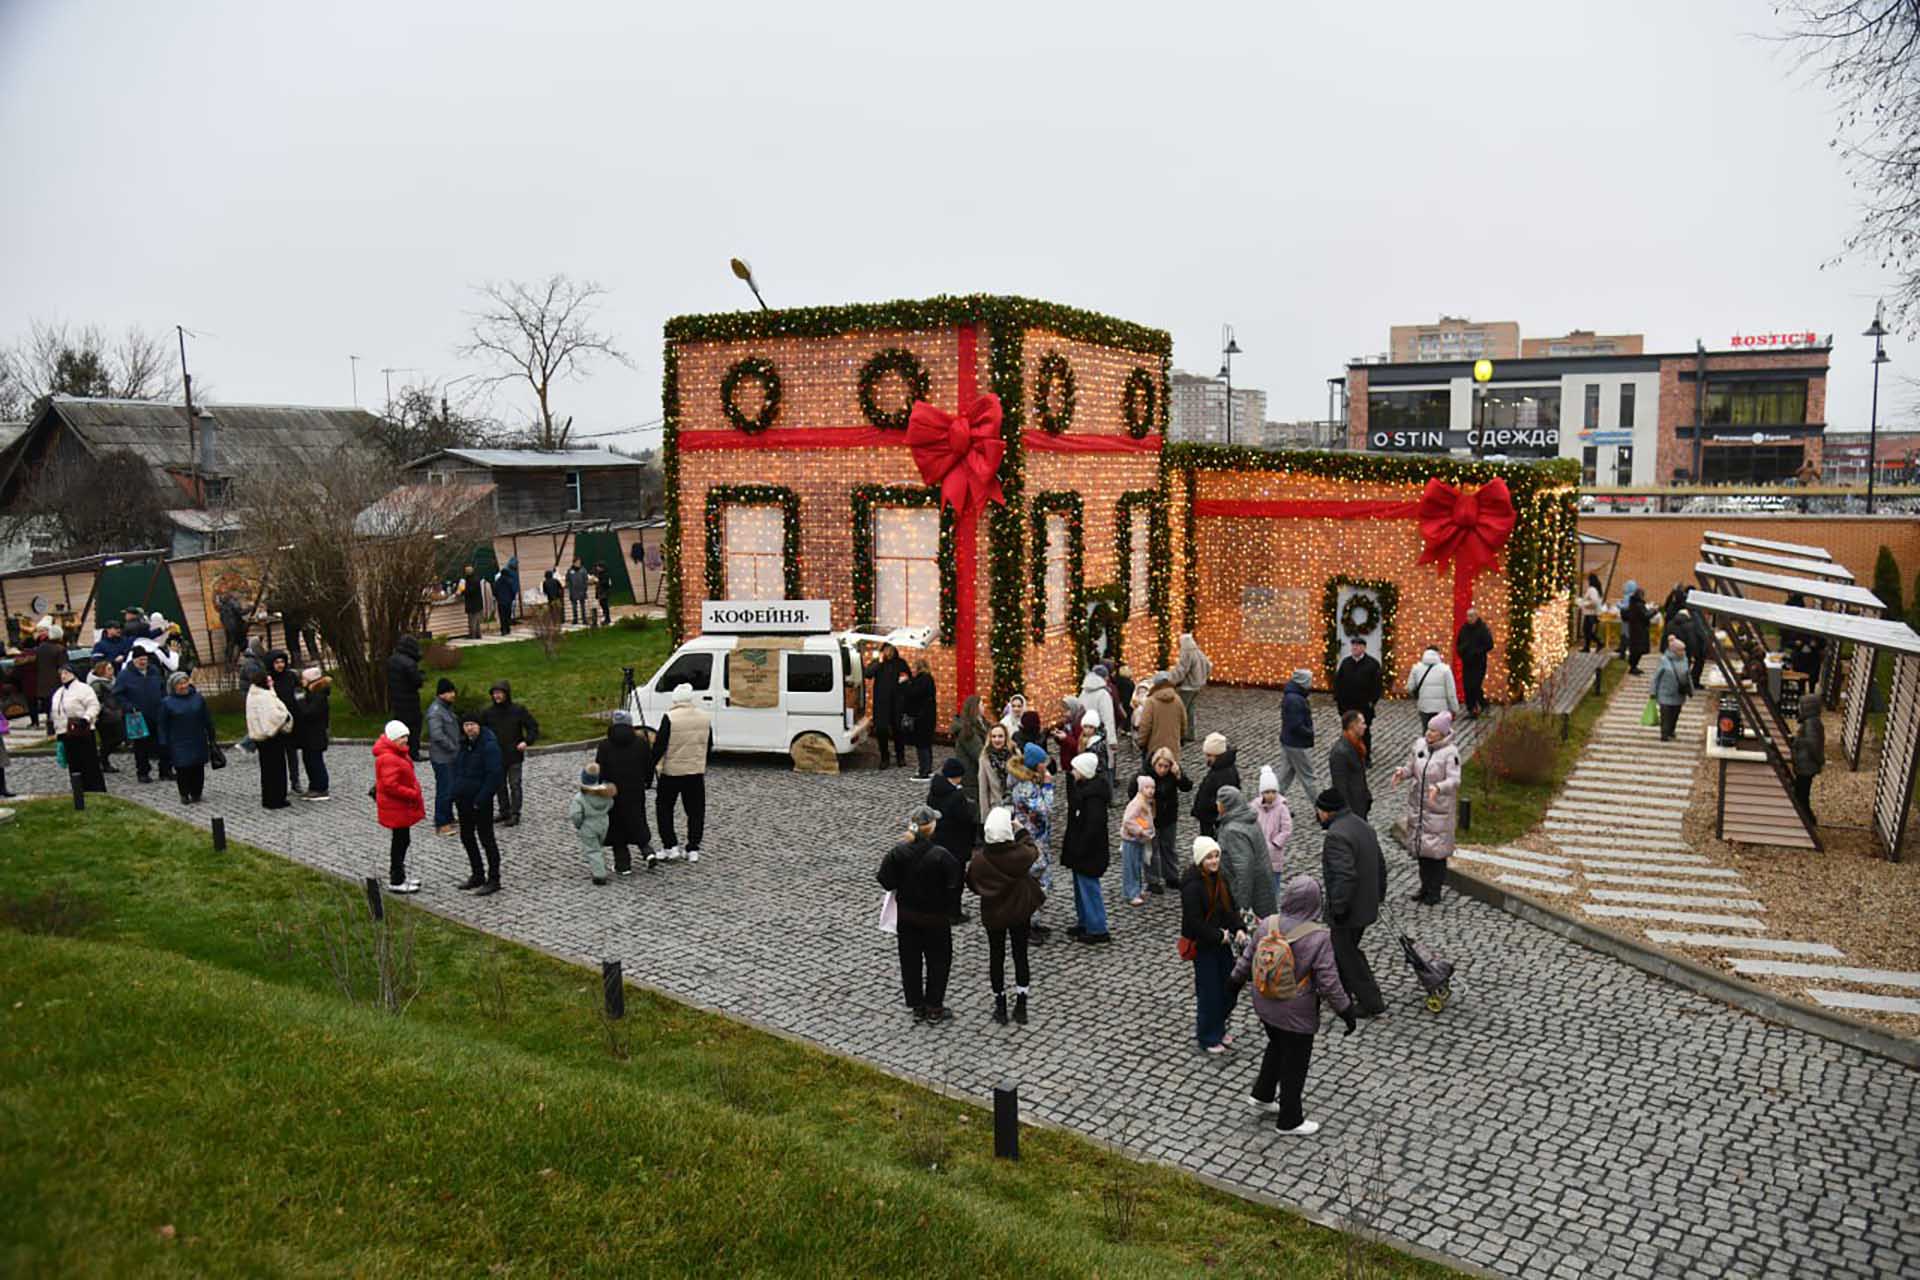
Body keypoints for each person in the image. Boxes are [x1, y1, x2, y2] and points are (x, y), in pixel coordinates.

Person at [1228, 876, 1356, 1137]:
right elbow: (1329, 982)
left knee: (1277, 1044)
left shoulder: (1268, 923)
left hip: (1264, 1003)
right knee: (1295, 1063)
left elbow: (1247, 958)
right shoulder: (1319, 937)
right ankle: (1289, 1119)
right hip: (1296, 1012)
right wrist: (1346, 1011)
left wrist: (1233, 983)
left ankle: (1262, 1094)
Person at [877, 803, 963, 1023]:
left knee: (910, 962)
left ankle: (916, 1005)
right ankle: (935, 1007)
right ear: (931, 827)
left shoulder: (898, 852)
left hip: (907, 917)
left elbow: (885, 880)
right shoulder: (941, 856)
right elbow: (955, 884)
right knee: (939, 962)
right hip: (935, 919)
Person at [968, 806, 1044, 1025]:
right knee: (1020, 955)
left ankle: (1000, 1005)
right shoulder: (1019, 855)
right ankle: (1021, 1003)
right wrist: (1021, 831)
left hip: (994, 914)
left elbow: (972, 882)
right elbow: (1032, 849)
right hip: (1019, 911)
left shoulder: (980, 860)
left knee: (996, 957)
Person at [1315, 789, 1387, 1017]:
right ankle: (1341, 993)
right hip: (1366, 904)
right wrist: (1379, 894)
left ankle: (1371, 1001)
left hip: (1349, 910)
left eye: (1318, 810)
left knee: (1347, 953)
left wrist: (1338, 907)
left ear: (1326, 812)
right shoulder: (1361, 825)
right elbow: (1380, 863)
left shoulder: (1336, 835)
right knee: (1342, 950)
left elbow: (1344, 875)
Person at [1182, 836, 1245, 1054]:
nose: (1214, 860)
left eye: (1216, 855)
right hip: (1204, 947)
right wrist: (1219, 936)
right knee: (1210, 993)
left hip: (1221, 943)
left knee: (1229, 987)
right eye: (1209, 857)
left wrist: (1238, 929)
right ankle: (1208, 1035)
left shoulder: (1221, 879)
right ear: (1201, 859)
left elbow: (1230, 909)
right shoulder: (1192, 886)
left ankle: (1218, 1027)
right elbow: (1194, 922)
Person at [1395, 711, 1461, 904]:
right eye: (1428, 729)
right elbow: (1411, 767)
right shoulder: (1419, 746)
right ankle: (1424, 887)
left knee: (1437, 854)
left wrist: (1439, 788)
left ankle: (1435, 890)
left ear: (1442, 733)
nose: (1429, 733)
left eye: (1433, 731)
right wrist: (1402, 773)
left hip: (1438, 809)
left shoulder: (1451, 753)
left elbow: (1454, 780)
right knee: (1422, 851)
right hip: (1420, 808)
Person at [651, 683, 712, 862]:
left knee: (664, 809)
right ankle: (693, 848)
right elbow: (709, 744)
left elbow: (659, 746)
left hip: (672, 772)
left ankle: (670, 845)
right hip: (695, 771)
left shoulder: (670, 717)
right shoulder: (704, 717)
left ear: (675, 699)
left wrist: (649, 768)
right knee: (695, 811)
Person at [595, 710, 657, 873]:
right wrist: (647, 782)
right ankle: (647, 851)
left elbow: (600, 770)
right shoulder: (641, 743)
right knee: (637, 820)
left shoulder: (604, 745)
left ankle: (623, 865)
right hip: (635, 790)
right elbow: (649, 766)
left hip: (614, 792)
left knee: (617, 828)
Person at [451, 710, 506, 895]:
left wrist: (481, 799)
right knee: (467, 837)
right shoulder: (463, 744)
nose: (469, 728)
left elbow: (494, 775)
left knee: (487, 839)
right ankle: (477, 874)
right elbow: (457, 769)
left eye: (472, 724)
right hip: (463, 799)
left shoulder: (489, 746)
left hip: (480, 802)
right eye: (466, 725)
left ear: (479, 725)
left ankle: (494, 879)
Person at [1006, 741, 1056, 942]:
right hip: (1031, 842)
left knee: (1038, 882)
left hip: (1038, 840)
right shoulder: (1026, 787)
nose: (1046, 765)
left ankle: (1033, 921)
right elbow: (1045, 809)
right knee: (1032, 883)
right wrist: (1048, 786)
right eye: (1043, 762)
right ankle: (1026, 925)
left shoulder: (1029, 782)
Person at [1062, 751, 1112, 944]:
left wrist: (1081, 847)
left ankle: (1098, 927)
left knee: (1089, 889)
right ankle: (1085, 922)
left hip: (1089, 851)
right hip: (1082, 850)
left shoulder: (1094, 798)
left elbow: (1093, 827)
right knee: (1081, 888)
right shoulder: (1086, 789)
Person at [373, 721, 425, 893]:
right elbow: (390, 785)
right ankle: (396, 880)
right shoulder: (389, 758)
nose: (405, 740)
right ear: (393, 738)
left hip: (399, 807)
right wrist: (412, 793)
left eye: (406, 737)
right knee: (400, 843)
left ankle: (400, 876)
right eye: (402, 737)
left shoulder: (397, 753)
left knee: (402, 841)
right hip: (397, 807)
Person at [1215, 784, 1277, 923]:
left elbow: (1243, 869)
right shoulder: (1248, 820)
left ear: (1226, 805)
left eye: (1219, 802)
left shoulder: (1233, 830)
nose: (1216, 805)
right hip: (1262, 886)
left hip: (1249, 894)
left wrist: (1242, 907)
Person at [1133, 746, 1191, 894]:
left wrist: (1179, 775)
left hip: (1169, 817)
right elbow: (1132, 791)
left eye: (1166, 766)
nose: (1163, 770)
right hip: (1150, 818)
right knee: (1151, 849)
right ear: (1154, 764)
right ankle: (1153, 880)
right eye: (1160, 766)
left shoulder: (1173, 773)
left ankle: (1171, 876)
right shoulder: (1145, 775)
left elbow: (1187, 786)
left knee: (1168, 847)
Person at [481, 679, 539, 826]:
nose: (497, 696)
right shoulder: (488, 713)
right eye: (494, 693)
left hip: (514, 754)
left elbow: (532, 726)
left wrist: (526, 741)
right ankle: (504, 811)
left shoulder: (518, 710)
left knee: (515, 784)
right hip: (497, 755)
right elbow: (482, 731)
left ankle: (515, 813)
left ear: (506, 694)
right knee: (499, 785)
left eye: (499, 693)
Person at [155, 671, 216, 804]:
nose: (183, 686)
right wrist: (163, 742)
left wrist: (212, 737)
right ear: (173, 686)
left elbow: (207, 719)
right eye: (179, 684)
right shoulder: (167, 703)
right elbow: (162, 724)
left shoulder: (198, 698)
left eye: (184, 682)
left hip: (197, 738)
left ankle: (197, 793)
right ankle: (184, 793)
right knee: (183, 769)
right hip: (178, 740)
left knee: (198, 768)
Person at [927, 758, 975, 922]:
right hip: (956, 844)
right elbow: (965, 819)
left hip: (938, 841)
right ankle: (953, 913)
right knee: (955, 880)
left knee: (941, 878)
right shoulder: (956, 796)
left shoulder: (934, 791)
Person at [112, 649, 166, 784]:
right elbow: (118, 694)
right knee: (141, 746)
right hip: (137, 716)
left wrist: (164, 701)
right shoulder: (125, 675)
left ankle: (165, 770)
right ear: (134, 660)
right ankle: (143, 772)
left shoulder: (154, 671)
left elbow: (162, 688)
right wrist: (129, 707)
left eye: (145, 660)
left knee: (162, 743)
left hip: (157, 712)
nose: (143, 662)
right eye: (140, 660)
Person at [51, 665, 106, 793]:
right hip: (67, 733)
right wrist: (58, 731)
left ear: (73, 674)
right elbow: (57, 713)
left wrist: (86, 718)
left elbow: (94, 705)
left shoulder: (84, 689)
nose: (63, 676)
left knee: (88, 762)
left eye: (66, 673)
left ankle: (94, 789)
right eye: (61, 673)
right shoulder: (59, 692)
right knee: (73, 763)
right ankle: (78, 789)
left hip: (83, 731)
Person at [245, 669, 294, 810]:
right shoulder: (264, 696)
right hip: (271, 737)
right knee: (276, 769)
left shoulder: (253, 694)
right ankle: (277, 798)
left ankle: (268, 797)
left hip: (259, 738)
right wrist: (285, 717)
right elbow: (273, 717)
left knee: (266, 770)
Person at [1272, 668, 1319, 806]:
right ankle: (1321, 809)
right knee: (1308, 777)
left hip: (1289, 741)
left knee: (1284, 776)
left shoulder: (1293, 696)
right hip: (1297, 744)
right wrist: (1309, 733)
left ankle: (1272, 803)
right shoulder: (1296, 700)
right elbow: (1296, 725)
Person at [570, 763, 619, 885]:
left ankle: (599, 875)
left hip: (588, 826)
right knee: (598, 847)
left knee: (592, 850)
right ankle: (601, 865)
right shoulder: (605, 793)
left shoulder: (580, 797)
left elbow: (575, 815)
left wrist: (579, 824)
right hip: (603, 823)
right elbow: (611, 804)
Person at [1333, 637, 1382, 759]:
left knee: (1364, 732)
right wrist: (1339, 701)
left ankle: (1365, 756)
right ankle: (1349, 754)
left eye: (1358, 646)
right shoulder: (1346, 663)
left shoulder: (1372, 664)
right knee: (1348, 731)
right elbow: (1338, 683)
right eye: (1353, 646)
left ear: (1364, 648)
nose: (1354, 648)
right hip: (1347, 705)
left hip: (1364, 706)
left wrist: (1372, 702)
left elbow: (1377, 686)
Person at [863, 642, 909, 769]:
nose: (889, 652)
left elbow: (907, 677)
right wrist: (879, 661)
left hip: (897, 703)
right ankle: (884, 758)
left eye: (891, 650)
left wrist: (904, 681)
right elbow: (867, 674)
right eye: (887, 650)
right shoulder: (878, 662)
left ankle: (900, 757)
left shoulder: (901, 663)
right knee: (881, 731)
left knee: (898, 731)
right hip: (881, 704)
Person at [426, 678, 461, 835]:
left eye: (453, 691)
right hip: (443, 758)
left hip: (450, 757)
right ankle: (442, 823)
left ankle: (448, 816)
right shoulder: (436, 711)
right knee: (445, 789)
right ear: (441, 694)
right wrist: (453, 747)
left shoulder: (445, 708)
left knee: (451, 788)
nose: (453, 694)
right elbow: (437, 735)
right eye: (449, 692)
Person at [293, 666, 333, 801]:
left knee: (315, 761)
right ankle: (314, 787)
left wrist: (300, 702)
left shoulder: (318, 696)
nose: (302, 681)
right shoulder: (313, 693)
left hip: (315, 735)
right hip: (310, 735)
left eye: (304, 679)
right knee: (309, 760)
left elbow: (309, 713)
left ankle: (321, 788)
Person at [950, 695, 990, 830]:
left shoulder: (982, 724)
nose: (984, 706)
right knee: (975, 811)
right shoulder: (968, 732)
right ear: (975, 708)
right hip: (972, 777)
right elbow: (980, 754)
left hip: (977, 776)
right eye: (982, 704)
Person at [268, 650, 304, 794]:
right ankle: (279, 783)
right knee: (277, 755)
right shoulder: (269, 679)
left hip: (291, 719)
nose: (280, 665)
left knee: (292, 752)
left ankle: (295, 781)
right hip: (275, 720)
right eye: (277, 662)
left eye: (282, 662)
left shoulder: (291, 676)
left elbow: (299, 693)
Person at [1192, 732, 1240, 840]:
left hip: (1213, 821)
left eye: (1209, 755)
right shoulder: (1220, 768)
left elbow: (1225, 800)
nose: (1207, 758)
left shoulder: (1224, 773)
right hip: (1209, 819)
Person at [1254, 765, 1292, 900]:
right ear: (1261, 793)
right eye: (1267, 792)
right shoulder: (1254, 807)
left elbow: (1286, 829)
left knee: (1274, 886)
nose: (1270, 795)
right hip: (1258, 854)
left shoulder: (1282, 808)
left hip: (1274, 854)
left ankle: (1273, 911)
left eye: (1273, 792)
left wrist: (1275, 843)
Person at [1133, 670, 1187, 764]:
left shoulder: (1151, 701)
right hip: (1173, 745)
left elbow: (1146, 725)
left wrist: (1141, 742)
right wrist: (1181, 737)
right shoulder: (1178, 700)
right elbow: (1183, 721)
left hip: (1154, 747)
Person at [386, 635, 425, 760]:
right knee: (414, 726)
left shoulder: (392, 660)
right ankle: (413, 752)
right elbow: (417, 682)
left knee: (400, 725)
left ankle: (398, 750)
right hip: (410, 699)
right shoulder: (409, 663)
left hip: (396, 698)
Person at [1169, 632, 1212, 743]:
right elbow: (1209, 666)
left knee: (1180, 711)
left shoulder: (1187, 654)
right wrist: (1203, 679)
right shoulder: (1199, 652)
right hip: (1197, 687)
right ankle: (1190, 733)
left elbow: (1181, 670)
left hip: (1187, 687)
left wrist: (1171, 680)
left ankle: (1180, 735)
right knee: (1190, 710)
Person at [1120, 773, 1155, 907]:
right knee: (1131, 867)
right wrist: (1140, 831)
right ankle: (1130, 893)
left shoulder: (1145, 802)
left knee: (1137, 865)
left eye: (1152, 788)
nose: (1150, 790)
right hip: (1131, 839)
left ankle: (1138, 890)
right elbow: (1128, 821)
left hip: (1139, 839)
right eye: (1147, 787)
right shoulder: (1137, 804)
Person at [1329, 710, 1371, 819]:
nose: (1365, 726)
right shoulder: (1340, 753)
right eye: (1362, 723)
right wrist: (1346, 812)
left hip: (1360, 805)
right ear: (1353, 726)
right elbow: (1339, 786)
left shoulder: (1357, 746)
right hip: (1351, 809)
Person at [1406, 646, 1460, 730]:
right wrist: (1454, 708)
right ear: (1438, 654)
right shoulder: (1445, 669)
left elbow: (1409, 688)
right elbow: (1451, 692)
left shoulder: (1416, 668)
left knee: (1426, 731)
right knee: (1440, 732)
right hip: (1441, 708)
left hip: (1424, 707)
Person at [900, 658, 937, 781]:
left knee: (922, 744)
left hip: (922, 718)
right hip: (927, 717)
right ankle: (928, 769)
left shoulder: (922, 680)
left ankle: (923, 772)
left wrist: (904, 683)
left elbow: (913, 694)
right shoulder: (927, 679)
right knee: (926, 743)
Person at [1455, 606, 1495, 719]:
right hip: (1467, 662)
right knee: (1467, 686)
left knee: (1476, 685)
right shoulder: (1464, 629)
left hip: (1479, 662)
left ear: (1477, 616)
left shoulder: (1482, 629)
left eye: (1471, 616)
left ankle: (1483, 704)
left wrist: (1478, 651)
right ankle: (1471, 709)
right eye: (1468, 616)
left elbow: (1489, 644)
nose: (1469, 618)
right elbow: (1458, 643)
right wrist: (1461, 651)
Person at [1078, 666, 1118, 776]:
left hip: (1087, 736)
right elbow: (1108, 719)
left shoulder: (1083, 692)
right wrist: (1112, 741)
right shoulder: (1103, 694)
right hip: (1101, 738)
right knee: (1105, 771)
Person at [1651, 636, 1692, 742]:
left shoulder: (1685, 660)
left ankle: (1671, 730)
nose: (1683, 652)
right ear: (1674, 650)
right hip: (1665, 692)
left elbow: (1687, 675)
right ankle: (1664, 733)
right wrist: (1653, 691)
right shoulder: (1664, 660)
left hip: (1679, 692)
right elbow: (1656, 677)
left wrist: (1690, 689)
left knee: (1675, 713)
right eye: (1681, 650)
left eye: (1684, 650)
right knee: (1665, 714)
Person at [87, 661, 123, 774]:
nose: (112, 671)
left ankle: (101, 759)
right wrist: (106, 711)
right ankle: (103, 761)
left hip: (115, 715)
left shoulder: (114, 682)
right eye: (109, 669)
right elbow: (96, 701)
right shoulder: (97, 684)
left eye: (112, 668)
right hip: (104, 718)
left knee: (117, 738)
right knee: (108, 741)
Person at [1792, 702, 1825, 820]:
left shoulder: (1811, 723)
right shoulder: (1812, 722)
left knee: (1801, 794)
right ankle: (1807, 818)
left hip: (1806, 766)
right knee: (1802, 793)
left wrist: (1798, 742)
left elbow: (1813, 745)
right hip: (1807, 765)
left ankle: (1807, 820)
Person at [34, 625, 67, 729]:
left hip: (42, 681)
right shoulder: (60, 649)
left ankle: (50, 726)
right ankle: (58, 726)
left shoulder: (40, 648)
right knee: (58, 705)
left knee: (48, 706)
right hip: (56, 682)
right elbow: (64, 667)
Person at [978, 721, 1014, 815]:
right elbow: (983, 790)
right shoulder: (985, 758)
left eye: (1000, 736)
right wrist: (985, 817)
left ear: (1006, 737)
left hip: (1015, 806)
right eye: (994, 736)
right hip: (996, 808)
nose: (997, 739)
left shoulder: (1014, 755)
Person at [1623, 590, 1652, 675]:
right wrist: (1654, 611)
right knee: (1638, 650)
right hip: (1640, 630)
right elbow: (1645, 616)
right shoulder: (1639, 605)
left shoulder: (1633, 604)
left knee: (1636, 649)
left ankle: (1633, 666)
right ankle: (1633, 667)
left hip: (1634, 629)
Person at [493, 557, 521, 635]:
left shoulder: (497, 581)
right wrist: (512, 598)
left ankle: (503, 630)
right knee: (507, 615)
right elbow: (512, 590)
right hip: (508, 601)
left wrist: (497, 597)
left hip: (500, 601)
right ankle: (508, 629)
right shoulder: (510, 581)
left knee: (502, 616)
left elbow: (494, 591)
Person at [458, 563, 485, 640]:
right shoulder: (476, 579)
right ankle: (478, 634)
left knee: (472, 620)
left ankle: (472, 635)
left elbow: (470, 591)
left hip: (472, 603)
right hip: (477, 602)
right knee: (477, 621)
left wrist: (462, 591)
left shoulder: (470, 580)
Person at [1615, 578, 1640, 660]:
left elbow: (1625, 607)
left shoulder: (1627, 597)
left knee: (1625, 636)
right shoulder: (1634, 596)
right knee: (1628, 635)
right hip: (1631, 619)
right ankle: (1626, 651)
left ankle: (1623, 653)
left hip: (1626, 619)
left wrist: (1618, 604)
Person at [1580, 574, 1605, 653]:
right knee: (1587, 630)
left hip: (1590, 613)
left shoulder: (1592, 590)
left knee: (1587, 631)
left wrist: (1584, 604)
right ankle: (1587, 646)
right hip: (1591, 613)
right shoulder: (1595, 590)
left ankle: (1599, 642)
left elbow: (1594, 601)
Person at [566, 558, 590, 626]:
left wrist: (585, 588)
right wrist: (569, 587)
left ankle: (584, 619)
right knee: (574, 606)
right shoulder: (570, 570)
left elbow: (586, 579)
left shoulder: (583, 570)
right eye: (577, 562)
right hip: (573, 591)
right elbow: (567, 579)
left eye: (579, 562)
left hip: (582, 590)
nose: (578, 563)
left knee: (583, 606)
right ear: (574, 563)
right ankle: (575, 619)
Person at [593, 561, 613, 625]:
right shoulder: (599, 574)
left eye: (598, 566)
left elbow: (606, 583)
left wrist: (598, 581)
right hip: (601, 592)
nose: (597, 568)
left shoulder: (605, 574)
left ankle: (607, 619)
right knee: (602, 604)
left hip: (604, 592)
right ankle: (606, 618)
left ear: (602, 567)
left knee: (605, 605)